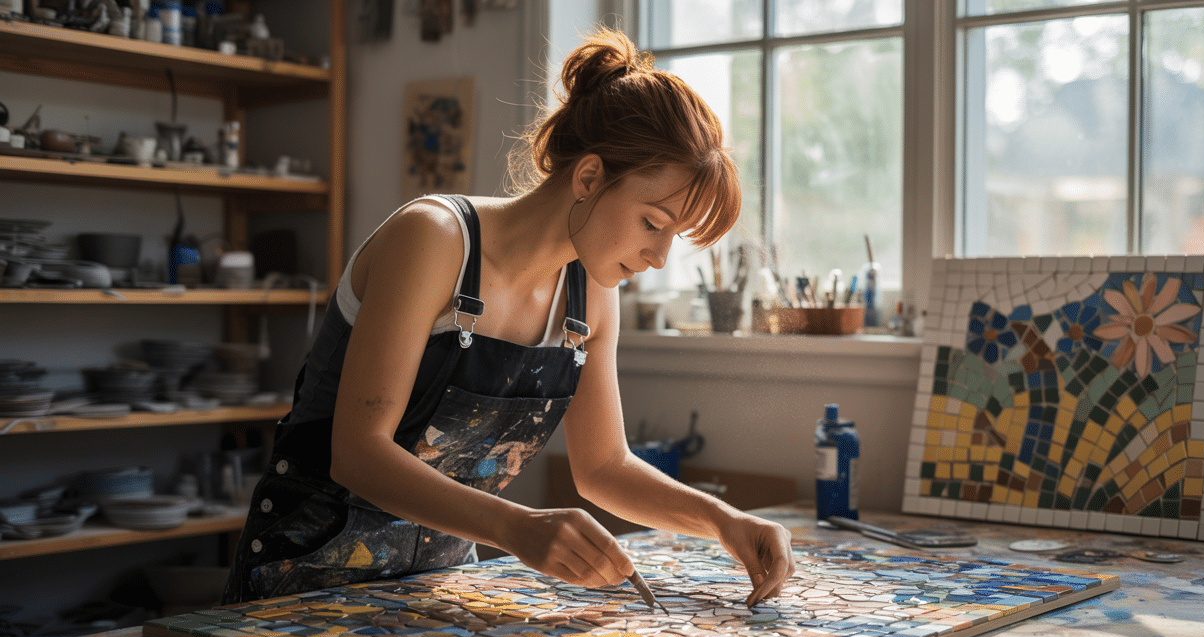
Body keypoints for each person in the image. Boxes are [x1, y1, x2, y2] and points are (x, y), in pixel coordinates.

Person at [222, 28, 795, 607]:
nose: (659, 257)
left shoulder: (590, 292)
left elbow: (604, 467)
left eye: (674, 237)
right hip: (300, 583)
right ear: (589, 177)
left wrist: (724, 522)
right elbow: (358, 451)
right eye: (653, 222)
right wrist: (516, 527)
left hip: (438, 590)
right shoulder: (435, 239)